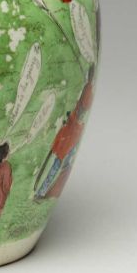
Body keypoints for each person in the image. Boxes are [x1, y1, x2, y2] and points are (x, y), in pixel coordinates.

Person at [34, 68, 95, 201]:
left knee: (58, 164)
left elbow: (82, 110)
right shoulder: (87, 88)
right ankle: (42, 191)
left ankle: (43, 191)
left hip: (71, 134)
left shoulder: (88, 90)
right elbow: (80, 110)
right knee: (59, 164)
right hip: (70, 133)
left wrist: (73, 118)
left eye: (87, 74)